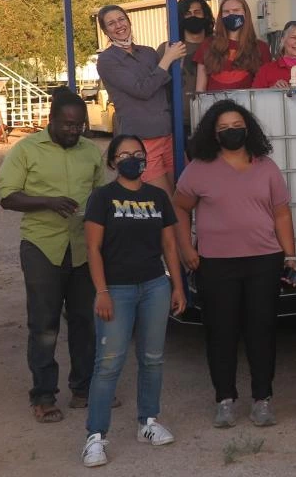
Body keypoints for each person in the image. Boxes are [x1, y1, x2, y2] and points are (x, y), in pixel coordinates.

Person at [172, 99, 296, 428]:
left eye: (236, 126)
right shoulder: (199, 168)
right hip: (216, 264)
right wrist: (187, 247)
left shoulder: (266, 166)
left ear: (248, 128)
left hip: (264, 261)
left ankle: (262, 399)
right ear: (213, 134)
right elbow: (180, 207)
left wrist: (290, 254)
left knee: (262, 331)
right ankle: (224, 399)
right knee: (221, 333)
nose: (231, 132)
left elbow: (282, 213)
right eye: (224, 128)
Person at [0, 87, 106, 424]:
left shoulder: (90, 152)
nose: (74, 131)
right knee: (44, 325)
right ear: (51, 120)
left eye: (80, 126)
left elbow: (100, 196)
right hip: (42, 247)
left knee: (84, 321)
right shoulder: (26, 150)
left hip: (83, 249)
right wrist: (48, 201)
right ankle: (43, 396)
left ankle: (83, 388)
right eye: (67, 125)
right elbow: (7, 197)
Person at [80, 134, 187, 468]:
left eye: (138, 154)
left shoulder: (157, 197)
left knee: (153, 358)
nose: (132, 159)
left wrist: (178, 288)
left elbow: (170, 246)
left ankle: (148, 423)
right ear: (113, 162)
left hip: (155, 286)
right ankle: (95, 437)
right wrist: (102, 291)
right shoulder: (102, 197)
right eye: (124, 154)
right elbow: (93, 249)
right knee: (109, 362)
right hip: (117, 290)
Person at [96, 4, 186, 194]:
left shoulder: (148, 52)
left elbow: (163, 86)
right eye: (111, 23)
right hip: (142, 141)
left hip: (168, 135)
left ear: (129, 21)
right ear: (105, 31)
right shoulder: (107, 60)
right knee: (163, 200)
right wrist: (167, 59)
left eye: (121, 19)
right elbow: (142, 90)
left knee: (183, 194)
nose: (118, 25)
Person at [159, 0, 215, 137]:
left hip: (213, 119)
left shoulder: (217, 46)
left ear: (206, 16)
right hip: (178, 124)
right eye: (187, 14)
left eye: (197, 12)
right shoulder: (167, 48)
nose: (193, 17)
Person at [193, 0, 272, 92]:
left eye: (236, 10)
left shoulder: (260, 47)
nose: (231, 14)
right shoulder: (208, 44)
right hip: (214, 105)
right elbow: (200, 89)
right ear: (221, 16)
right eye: (226, 11)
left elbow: (266, 87)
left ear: (245, 13)